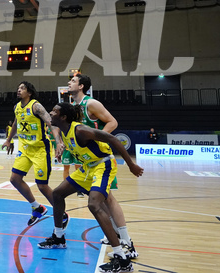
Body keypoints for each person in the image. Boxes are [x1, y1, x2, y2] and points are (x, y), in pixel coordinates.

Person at [37, 102, 144, 273]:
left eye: (54, 111)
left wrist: (131, 165)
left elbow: (113, 139)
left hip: (104, 165)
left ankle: (122, 259)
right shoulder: (63, 130)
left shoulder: (80, 130)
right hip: (88, 167)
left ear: (63, 117)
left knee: (94, 205)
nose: (51, 112)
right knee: (57, 194)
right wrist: (59, 147)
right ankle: (58, 238)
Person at [68, 73, 138, 257]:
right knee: (102, 198)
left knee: (109, 199)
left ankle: (126, 240)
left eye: (73, 81)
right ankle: (115, 234)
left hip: (101, 158)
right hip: (88, 160)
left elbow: (112, 122)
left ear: (82, 86)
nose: (69, 82)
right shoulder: (73, 106)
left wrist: (97, 138)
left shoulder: (91, 104)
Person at [2, 81, 66, 226]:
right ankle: (37, 207)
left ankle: (61, 213)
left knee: (42, 186)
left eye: (22, 88)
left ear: (29, 92)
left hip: (39, 149)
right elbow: (16, 124)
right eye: (18, 88)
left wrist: (58, 142)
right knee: (14, 179)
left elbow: (51, 123)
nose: (18, 90)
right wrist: (9, 139)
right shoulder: (17, 107)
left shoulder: (36, 106)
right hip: (24, 149)